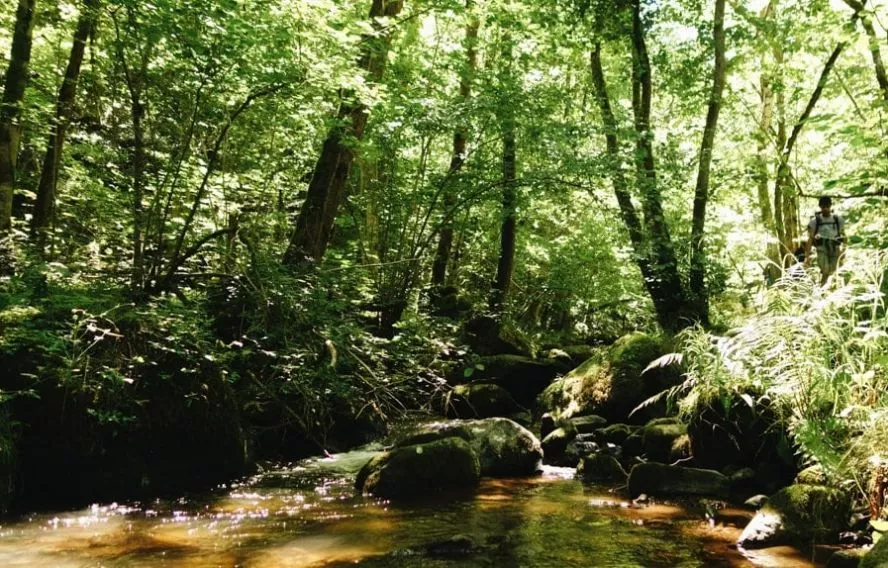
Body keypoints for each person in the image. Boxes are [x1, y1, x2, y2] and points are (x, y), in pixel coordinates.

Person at [804, 196, 845, 285]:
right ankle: (823, 288)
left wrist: (844, 250)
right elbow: (810, 238)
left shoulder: (838, 220)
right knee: (825, 268)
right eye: (823, 207)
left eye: (827, 206)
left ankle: (828, 288)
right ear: (820, 207)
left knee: (834, 270)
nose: (825, 209)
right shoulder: (815, 221)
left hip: (835, 248)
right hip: (821, 248)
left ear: (830, 206)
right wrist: (807, 256)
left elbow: (844, 236)